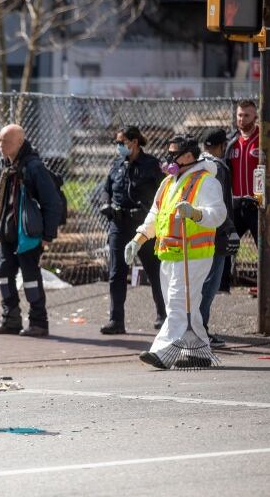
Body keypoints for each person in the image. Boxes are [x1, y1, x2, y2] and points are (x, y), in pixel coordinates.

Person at [126, 135, 226, 369]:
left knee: (178, 303)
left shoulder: (206, 181)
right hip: (170, 254)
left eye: (174, 154)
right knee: (182, 304)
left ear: (189, 156)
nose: (168, 158)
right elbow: (155, 214)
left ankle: (162, 351)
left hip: (194, 254)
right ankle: (199, 350)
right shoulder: (168, 183)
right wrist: (138, 239)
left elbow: (218, 214)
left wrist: (196, 213)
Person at [0, 124, 63, 338]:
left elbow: (51, 202)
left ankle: (38, 323)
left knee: (30, 278)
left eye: (5, 141)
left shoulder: (34, 167)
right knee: (4, 275)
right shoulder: (3, 164)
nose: (0, 145)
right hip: (6, 231)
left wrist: (47, 236)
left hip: (28, 234)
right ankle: (10, 320)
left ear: (19, 142)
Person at [98, 126, 166, 335]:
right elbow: (107, 190)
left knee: (155, 271)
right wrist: (106, 204)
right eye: (117, 143)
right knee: (117, 272)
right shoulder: (117, 164)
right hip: (119, 225)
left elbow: (163, 191)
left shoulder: (151, 164)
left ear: (134, 142)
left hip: (143, 226)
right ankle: (116, 320)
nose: (119, 147)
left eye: (122, 142)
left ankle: (163, 316)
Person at [200, 129, 240, 349]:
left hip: (198, 232)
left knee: (199, 284)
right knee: (211, 284)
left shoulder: (195, 165)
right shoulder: (220, 168)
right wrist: (230, 229)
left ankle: (196, 327)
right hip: (216, 233)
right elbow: (221, 203)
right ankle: (201, 329)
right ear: (222, 146)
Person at [222, 99, 260, 292]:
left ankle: (264, 286)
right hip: (237, 204)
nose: (242, 119)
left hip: (258, 206)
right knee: (224, 243)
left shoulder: (263, 139)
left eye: (247, 115)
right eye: (239, 115)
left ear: (255, 116)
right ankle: (222, 284)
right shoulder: (232, 142)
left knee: (264, 248)